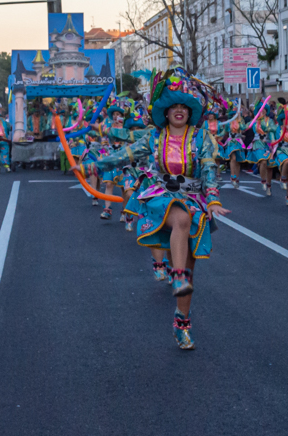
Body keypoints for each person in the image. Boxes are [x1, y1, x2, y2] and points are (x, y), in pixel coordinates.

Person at [93, 69, 227, 349]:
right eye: (173, 106)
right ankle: (175, 275)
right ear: (165, 111)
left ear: (190, 112)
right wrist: (90, 166)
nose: (179, 110)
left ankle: (181, 323)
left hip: (194, 198)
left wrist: (213, 198)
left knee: (189, 268)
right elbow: (124, 155)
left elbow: (209, 168)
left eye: (184, 106)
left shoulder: (202, 137)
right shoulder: (154, 138)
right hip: (162, 195)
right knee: (180, 217)